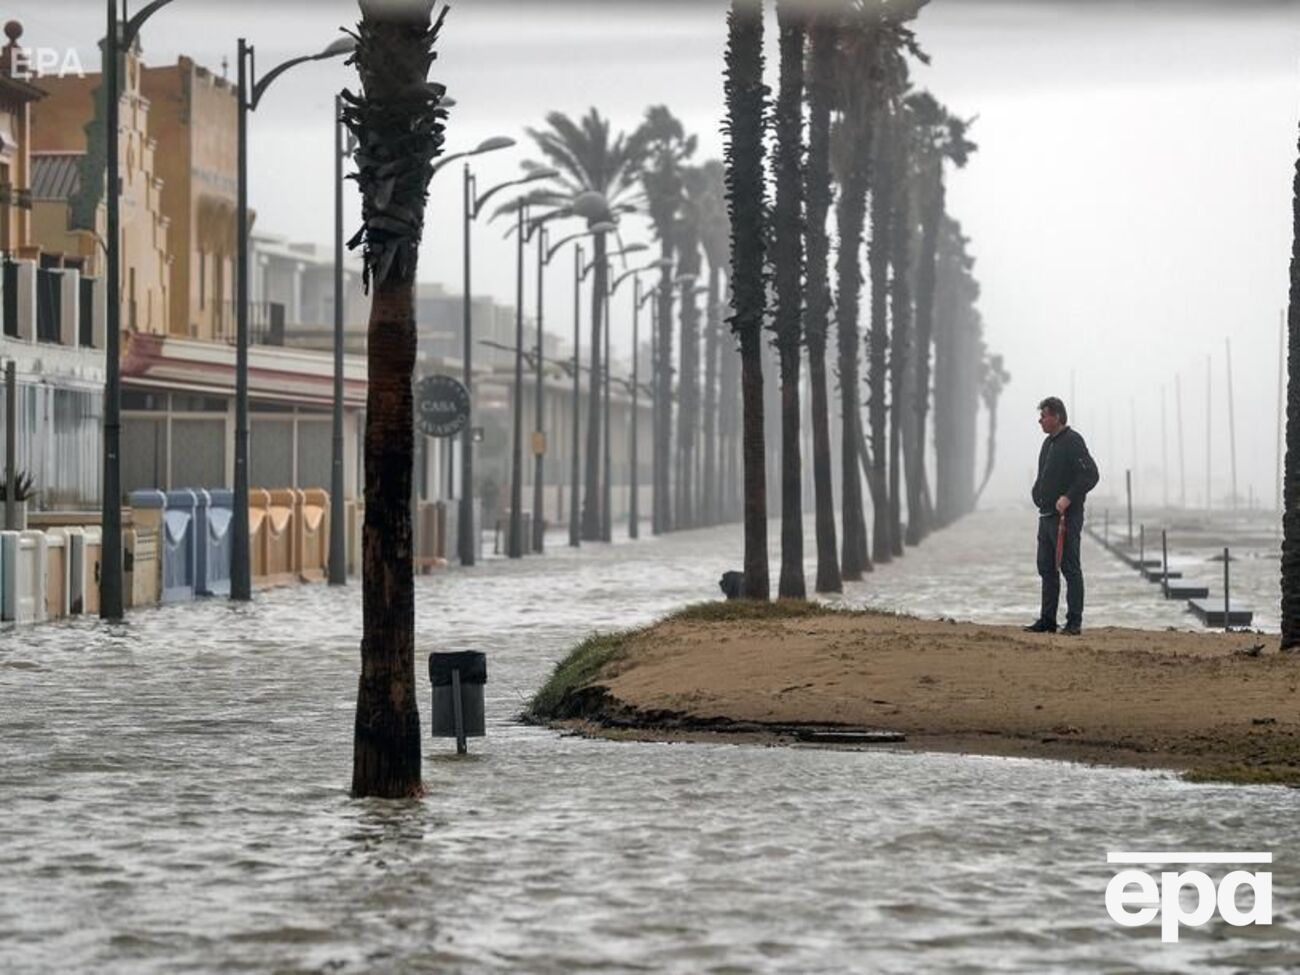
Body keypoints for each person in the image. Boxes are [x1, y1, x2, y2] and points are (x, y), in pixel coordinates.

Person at [1025, 397, 1099, 635]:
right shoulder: (1048, 443)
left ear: (1057, 416)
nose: (1040, 420)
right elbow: (1043, 474)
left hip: (1067, 517)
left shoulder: (1073, 441)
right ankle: (1048, 620)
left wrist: (1068, 497)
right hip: (1045, 516)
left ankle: (1074, 622)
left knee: (1070, 567)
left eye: (1044, 416)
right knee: (1046, 568)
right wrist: (1037, 493)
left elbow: (1090, 475)